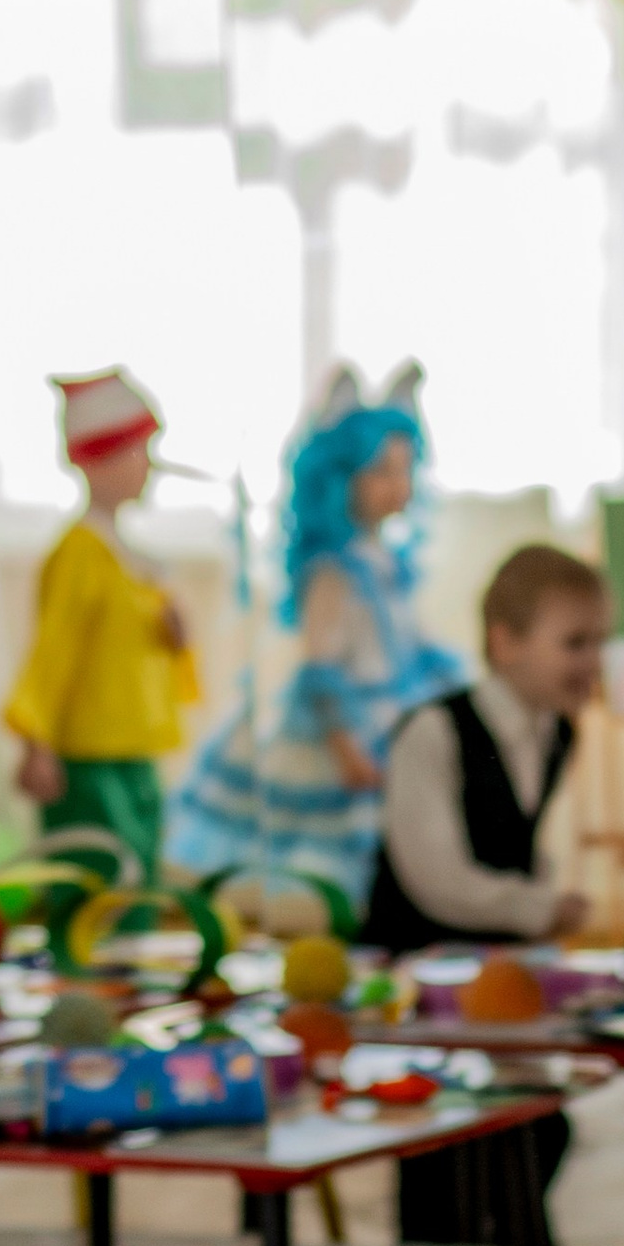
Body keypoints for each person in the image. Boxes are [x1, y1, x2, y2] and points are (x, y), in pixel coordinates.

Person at [363, 540, 606, 1246]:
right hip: (417, 976)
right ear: (506, 644)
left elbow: (519, 846)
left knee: (535, 1129)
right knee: (444, 1151)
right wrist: (536, 909)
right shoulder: (432, 733)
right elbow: (436, 880)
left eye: (600, 643)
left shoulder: (558, 732)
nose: (593, 663)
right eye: (575, 643)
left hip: (492, 976)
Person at [168, 364, 459, 917]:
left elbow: (409, 646)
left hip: (392, 719)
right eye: (379, 472)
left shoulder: (387, 564)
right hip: (346, 734)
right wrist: (346, 745)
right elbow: (320, 669)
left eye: (404, 470)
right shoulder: (331, 573)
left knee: (396, 844)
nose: (397, 485)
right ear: (338, 479)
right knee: (331, 855)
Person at [2, 370, 199, 919]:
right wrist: (35, 742)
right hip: (87, 756)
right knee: (96, 881)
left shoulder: (129, 557)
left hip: (133, 748)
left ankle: (132, 981)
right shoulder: (79, 553)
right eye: (139, 451)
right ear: (98, 459)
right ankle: (90, 984)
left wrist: (173, 637)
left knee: (140, 875)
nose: (150, 466)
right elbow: (54, 649)